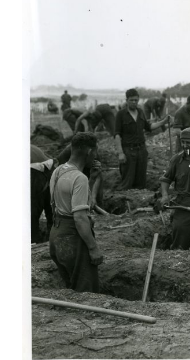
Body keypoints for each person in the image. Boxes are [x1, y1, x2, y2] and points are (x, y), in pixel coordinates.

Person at [48, 133, 103, 293]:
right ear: (89, 152)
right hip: (73, 239)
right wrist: (93, 248)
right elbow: (79, 218)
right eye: (95, 151)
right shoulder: (79, 178)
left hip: (56, 236)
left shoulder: (58, 171)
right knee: (87, 292)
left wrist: (92, 179)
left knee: (72, 290)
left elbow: (76, 203)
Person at [114, 89, 168, 190]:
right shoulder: (121, 114)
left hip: (141, 150)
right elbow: (117, 135)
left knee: (141, 181)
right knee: (127, 181)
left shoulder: (140, 112)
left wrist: (163, 122)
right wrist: (120, 153)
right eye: (131, 100)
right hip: (129, 151)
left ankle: (140, 200)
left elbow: (149, 127)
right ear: (127, 100)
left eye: (136, 100)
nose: (134, 102)